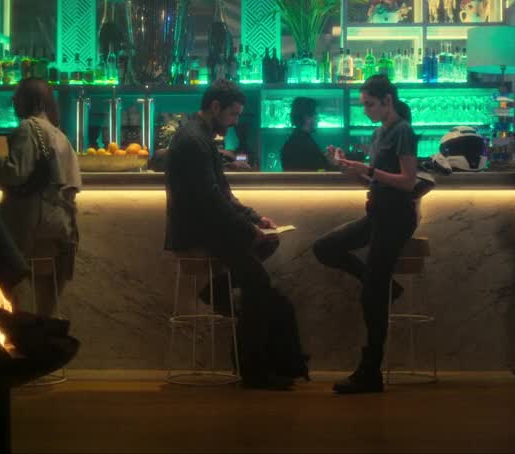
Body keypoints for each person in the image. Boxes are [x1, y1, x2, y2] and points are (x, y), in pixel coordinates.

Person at [164, 79, 306, 390]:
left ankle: (218, 291)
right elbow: (210, 199)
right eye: (233, 114)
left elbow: (223, 194)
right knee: (258, 284)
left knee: (267, 249)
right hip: (198, 231)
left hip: (209, 226)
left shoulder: (200, 137)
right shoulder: (193, 141)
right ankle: (254, 370)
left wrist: (255, 219)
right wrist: (248, 228)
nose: (235, 121)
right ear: (215, 107)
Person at [313, 75, 420, 395]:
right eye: (364, 105)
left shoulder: (403, 130)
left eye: (369, 104)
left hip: (396, 218)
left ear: (388, 100)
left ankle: (370, 372)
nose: (366, 110)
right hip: (378, 214)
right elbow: (376, 182)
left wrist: (368, 170)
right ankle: (387, 287)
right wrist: (350, 169)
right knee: (324, 248)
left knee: (371, 296)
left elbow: (408, 181)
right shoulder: (378, 133)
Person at [0, 78, 82, 316]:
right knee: (45, 308)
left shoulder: (28, 129)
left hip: (31, 229)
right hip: (59, 231)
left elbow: (15, 174)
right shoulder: (60, 136)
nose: (13, 101)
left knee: (14, 300)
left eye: (18, 97)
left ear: (35, 102)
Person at [280, 97, 334, 172]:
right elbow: (319, 172)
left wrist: (326, 160)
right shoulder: (304, 144)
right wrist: (332, 164)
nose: (319, 119)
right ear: (307, 117)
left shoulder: (294, 141)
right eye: (316, 114)